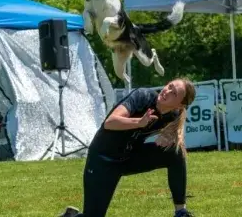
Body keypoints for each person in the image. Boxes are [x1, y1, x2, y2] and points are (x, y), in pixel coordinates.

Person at [59, 77, 196, 217]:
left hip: (129, 158)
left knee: (175, 153)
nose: (167, 91)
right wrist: (139, 122)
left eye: (174, 93)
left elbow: (177, 131)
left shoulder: (174, 115)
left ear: (179, 105)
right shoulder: (143, 96)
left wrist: (169, 137)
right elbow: (110, 123)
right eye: (169, 86)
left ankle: (181, 212)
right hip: (102, 160)